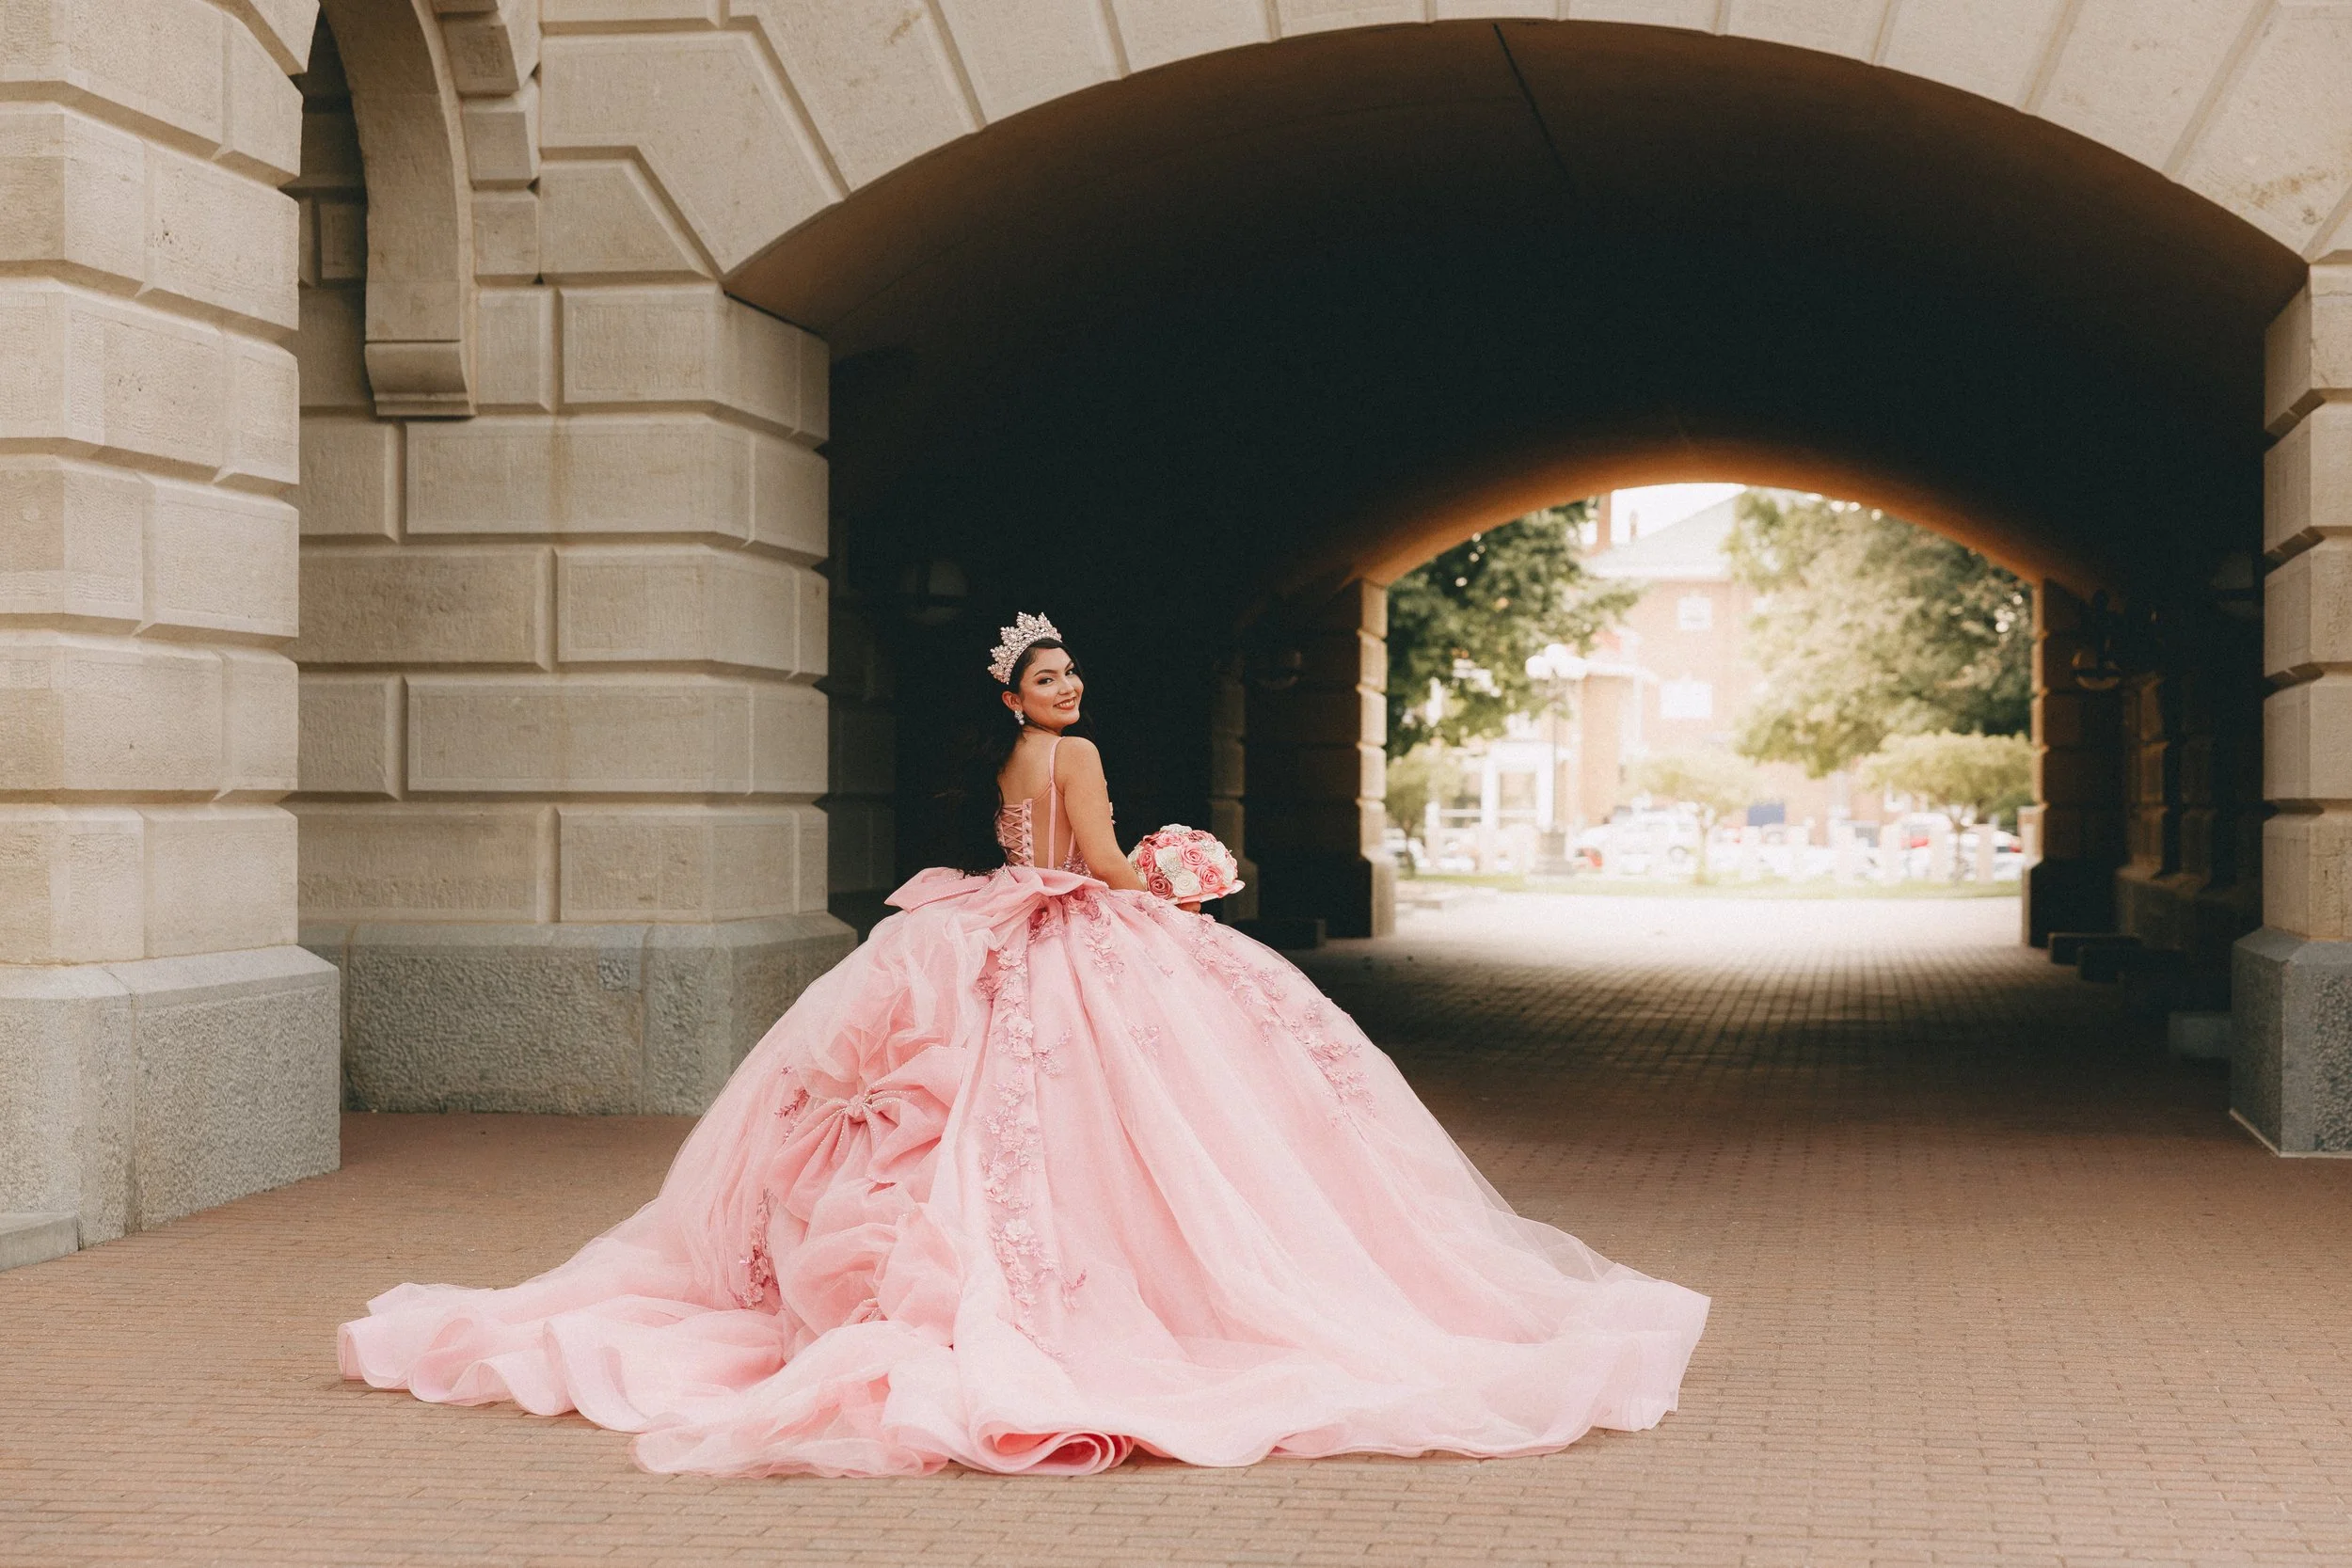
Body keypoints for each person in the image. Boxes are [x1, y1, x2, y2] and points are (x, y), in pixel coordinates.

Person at [339, 612, 1708, 1479]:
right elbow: (1103, 865)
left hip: (987, 924)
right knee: (1150, 1127)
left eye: (1070, 673)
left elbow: (1034, 856)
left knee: (1007, 1119)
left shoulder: (1000, 770)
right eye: (1048, 677)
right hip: (1073, 933)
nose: (1067, 688)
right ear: (1021, 696)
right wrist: (1179, 871)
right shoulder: (1078, 753)